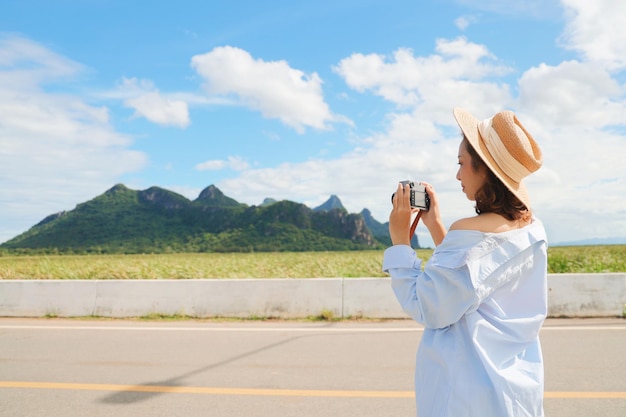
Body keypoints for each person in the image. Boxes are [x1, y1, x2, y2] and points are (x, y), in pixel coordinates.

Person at [383, 107, 548, 416]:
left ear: (483, 169)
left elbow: (428, 305)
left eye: (461, 163)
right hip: (515, 387)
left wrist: (400, 241)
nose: (457, 174)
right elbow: (472, 278)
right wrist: (436, 225)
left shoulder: (469, 234)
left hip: (465, 396)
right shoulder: (531, 228)